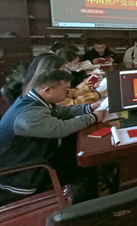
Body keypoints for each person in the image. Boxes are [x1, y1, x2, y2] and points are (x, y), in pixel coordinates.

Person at [0, 69, 105, 205]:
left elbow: (62, 111)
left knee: (78, 148)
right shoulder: (28, 115)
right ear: (48, 90)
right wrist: (92, 117)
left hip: (37, 157)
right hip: (22, 174)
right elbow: (60, 129)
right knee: (84, 169)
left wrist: (89, 108)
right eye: (65, 90)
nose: (68, 93)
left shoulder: (34, 100)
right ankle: (84, 212)